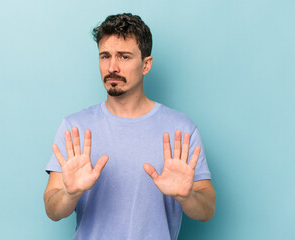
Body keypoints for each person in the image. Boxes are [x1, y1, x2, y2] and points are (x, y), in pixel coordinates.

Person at [44, 13, 216, 240]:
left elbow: (207, 209)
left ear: (146, 65)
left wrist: (187, 197)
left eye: (124, 57)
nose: (112, 67)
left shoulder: (182, 130)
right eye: (105, 56)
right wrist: (69, 193)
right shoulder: (74, 128)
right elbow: (52, 209)